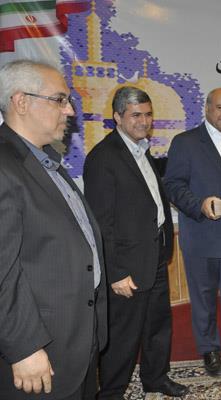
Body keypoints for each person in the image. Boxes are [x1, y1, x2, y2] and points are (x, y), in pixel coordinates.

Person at [0, 59, 107, 399]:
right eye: (60, 100)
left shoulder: (45, 161)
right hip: (37, 351)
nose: (70, 110)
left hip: (75, 338)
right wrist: (24, 347)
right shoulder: (4, 165)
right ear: (21, 102)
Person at [83, 87, 188, 398]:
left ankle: (156, 378)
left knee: (158, 326)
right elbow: (101, 223)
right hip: (126, 267)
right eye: (136, 115)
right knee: (123, 336)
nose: (144, 121)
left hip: (154, 256)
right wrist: (115, 272)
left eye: (148, 114)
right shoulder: (103, 158)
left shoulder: (142, 150)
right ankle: (112, 392)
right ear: (117, 117)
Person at [164, 88, 221, 376]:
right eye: (220, 107)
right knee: (204, 299)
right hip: (202, 234)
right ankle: (209, 350)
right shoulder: (185, 142)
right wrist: (199, 205)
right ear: (206, 108)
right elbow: (173, 185)